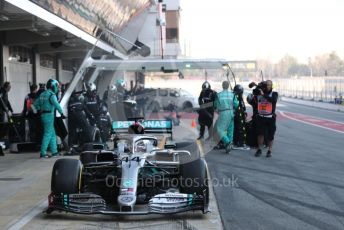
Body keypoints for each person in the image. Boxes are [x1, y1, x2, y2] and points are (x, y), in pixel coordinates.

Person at [32, 79, 65, 158]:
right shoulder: (51, 95)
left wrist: (38, 109)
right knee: (47, 134)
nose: (57, 88)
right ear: (53, 86)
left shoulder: (43, 94)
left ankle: (54, 152)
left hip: (44, 115)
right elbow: (56, 105)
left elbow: (35, 105)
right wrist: (62, 113)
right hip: (49, 116)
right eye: (56, 86)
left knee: (52, 134)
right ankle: (43, 153)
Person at [254, 80, 278, 158]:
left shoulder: (274, 94)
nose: (267, 86)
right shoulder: (260, 92)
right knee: (260, 134)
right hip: (261, 117)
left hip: (270, 117)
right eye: (266, 85)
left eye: (269, 85)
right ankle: (259, 149)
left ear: (271, 86)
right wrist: (257, 86)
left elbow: (273, 100)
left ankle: (269, 151)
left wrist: (263, 94)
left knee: (271, 135)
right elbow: (254, 92)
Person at [214, 81, 239, 153]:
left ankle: (227, 142)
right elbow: (236, 104)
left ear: (222, 86)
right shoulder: (232, 94)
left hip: (223, 113)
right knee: (230, 129)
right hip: (231, 112)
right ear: (228, 86)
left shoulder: (219, 95)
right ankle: (229, 147)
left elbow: (216, 105)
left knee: (219, 130)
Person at [233, 84, 249, 149]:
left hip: (239, 114)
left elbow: (243, 106)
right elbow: (238, 106)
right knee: (239, 129)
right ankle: (239, 142)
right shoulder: (236, 97)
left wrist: (244, 112)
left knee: (239, 128)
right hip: (238, 115)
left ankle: (238, 141)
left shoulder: (239, 97)